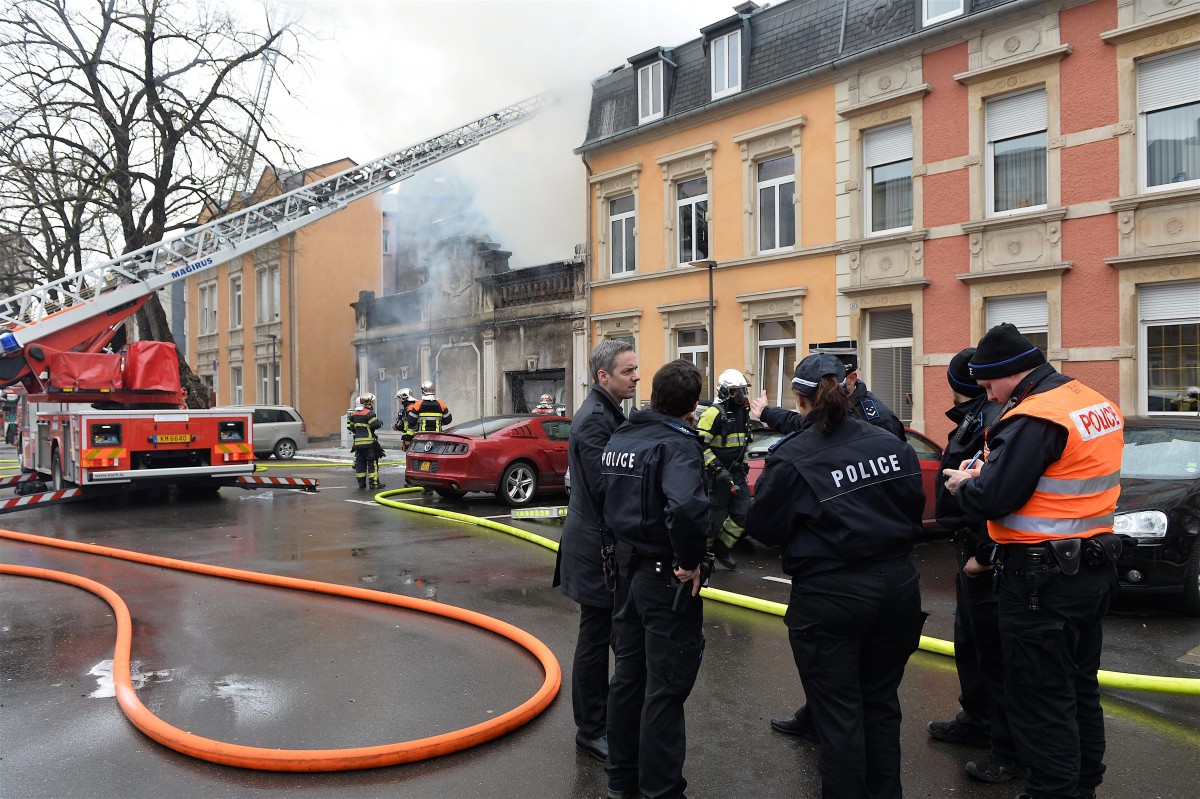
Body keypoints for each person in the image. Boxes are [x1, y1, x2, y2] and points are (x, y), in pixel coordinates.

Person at [944, 323, 1124, 799]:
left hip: (1041, 580)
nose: (988, 396)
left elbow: (994, 499)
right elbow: (1058, 476)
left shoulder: (1034, 417)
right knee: (1080, 687)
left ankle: (1051, 790)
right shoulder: (1090, 400)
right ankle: (1082, 785)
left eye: (989, 385)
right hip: (1092, 565)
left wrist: (965, 485)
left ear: (1011, 373)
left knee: (1041, 696)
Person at [745, 352, 926, 799]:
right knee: (880, 705)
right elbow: (913, 506)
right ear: (849, 389)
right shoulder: (888, 442)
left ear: (800, 400)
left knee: (839, 715)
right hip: (897, 587)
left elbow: (764, 527)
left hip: (832, 594)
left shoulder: (793, 456)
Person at [600, 359, 710, 799]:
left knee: (628, 680)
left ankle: (622, 779)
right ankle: (661, 790)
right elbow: (687, 509)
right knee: (664, 688)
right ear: (692, 405)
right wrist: (691, 561)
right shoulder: (676, 444)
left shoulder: (622, 436)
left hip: (626, 573)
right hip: (663, 578)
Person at [926, 348, 1015, 783]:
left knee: (994, 653)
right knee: (971, 644)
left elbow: (998, 494)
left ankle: (1007, 749)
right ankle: (977, 720)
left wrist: (984, 553)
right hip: (968, 547)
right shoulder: (976, 415)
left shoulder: (993, 419)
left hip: (985, 554)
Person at [552, 339, 640, 764]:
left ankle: (610, 719)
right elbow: (606, 487)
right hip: (594, 549)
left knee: (611, 634)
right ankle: (590, 730)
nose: (636, 376)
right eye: (627, 371)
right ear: (603, 376)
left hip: (601, 545)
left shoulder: (609, 413)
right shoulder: (594, 421)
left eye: (636, 369)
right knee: (595, 637)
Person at [751, 340, 906, 441]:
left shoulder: (878, 418)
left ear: (851, 379)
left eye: (828, 383)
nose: (822, 390)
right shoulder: (826, 409)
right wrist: (766, 412)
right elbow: (800, 423)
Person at [696, 368, 752, 569]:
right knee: (714, 520)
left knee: (743, 512)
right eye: (736, 391)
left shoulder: (743, 413)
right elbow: (699, 445)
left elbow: (744, 444)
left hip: (736, 473)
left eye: (742, 390)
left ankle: (722, 548)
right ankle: (703, 555)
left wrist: (744, 465)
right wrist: (717, 468)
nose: (740, 395)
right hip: (716, 476)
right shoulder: (713, 414)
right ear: (724, 391)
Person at [347, 393, 385, 490]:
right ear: (365, 403)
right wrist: (381, 422)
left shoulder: (353, 414)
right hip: (369, 444)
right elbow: (376, 425)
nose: (372, 403)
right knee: (372, 463)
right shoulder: (369, 413)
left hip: (358, 444)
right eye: (370, 402)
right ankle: (374, 484)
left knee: (360, 464)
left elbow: (350, 427)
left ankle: (361, 484)